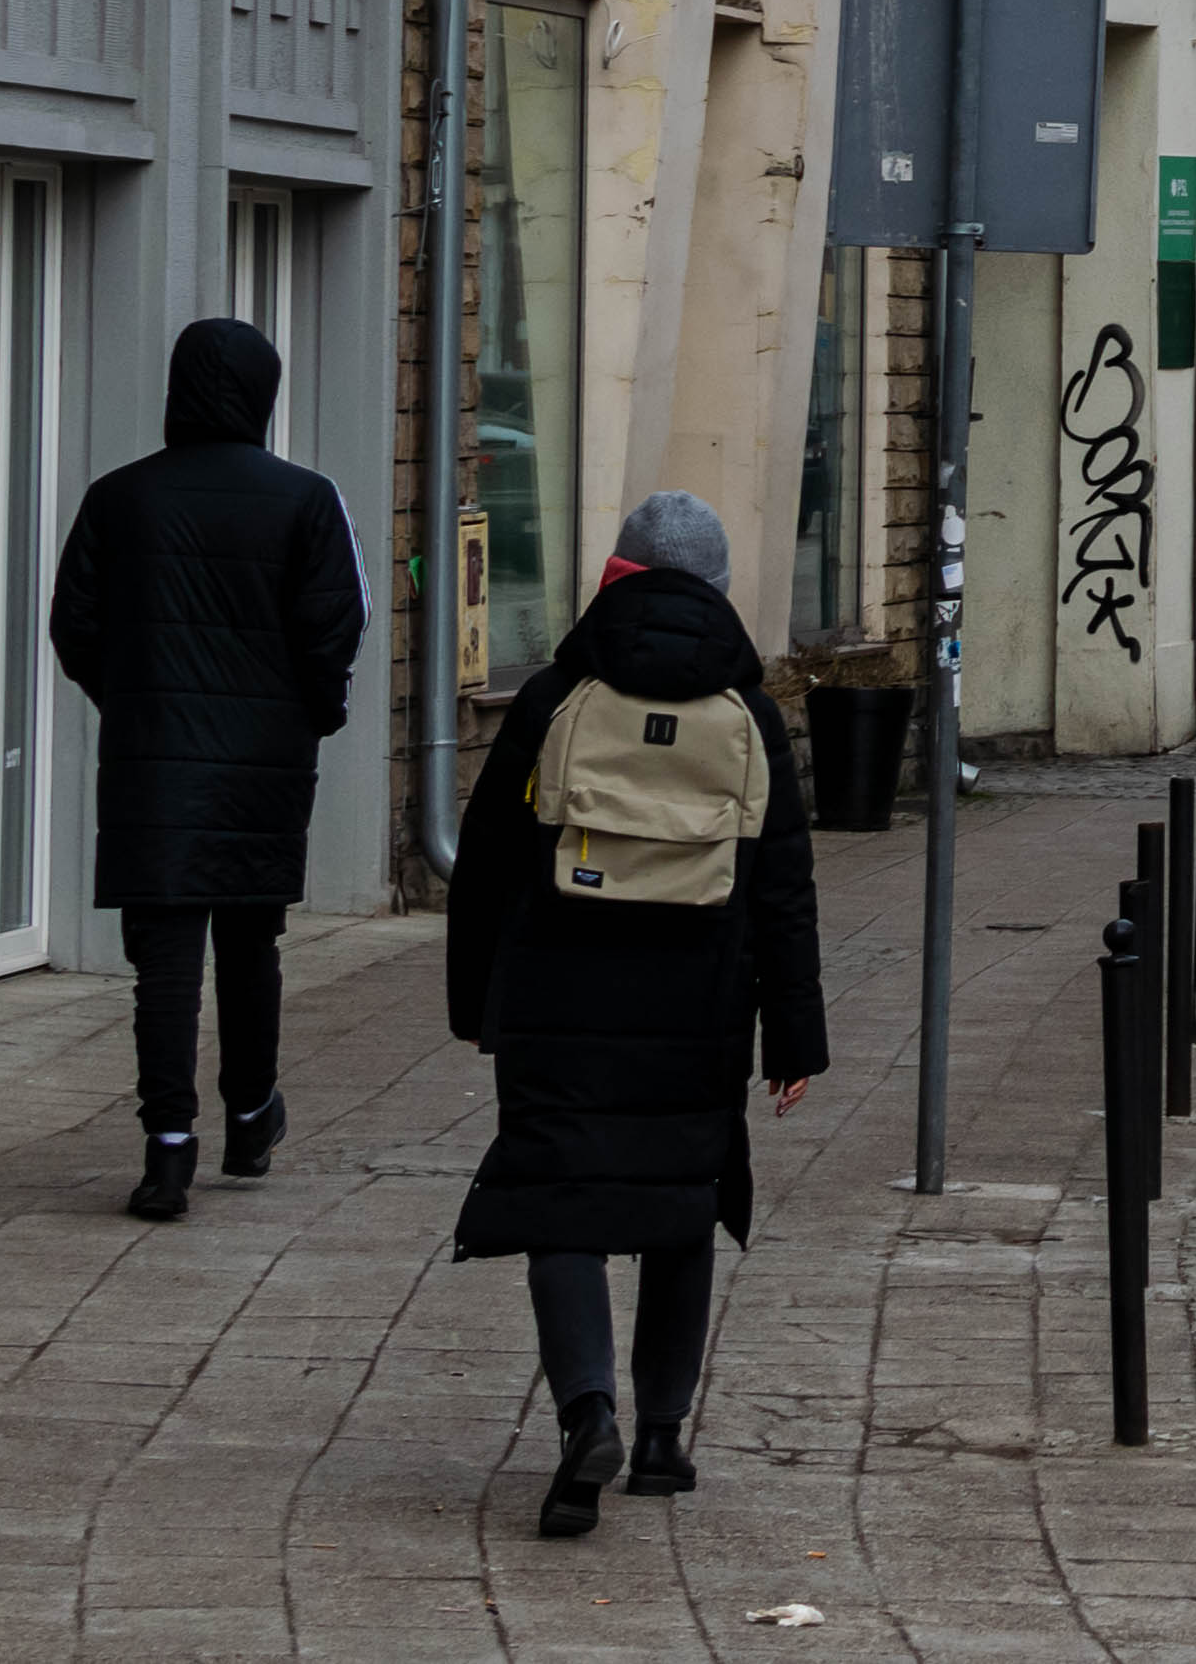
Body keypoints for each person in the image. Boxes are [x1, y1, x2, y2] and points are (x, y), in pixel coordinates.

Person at [447, 491, 824, 1540]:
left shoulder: (557, 692)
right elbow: (785, 887)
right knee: (679, 1198)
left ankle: (587, 1411)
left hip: (556, 997)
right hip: (700, 1004)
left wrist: (477, 1003)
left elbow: (483, 861)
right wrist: (795, 1038)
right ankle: (661, 1437)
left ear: (615, 575)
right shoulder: (746, 714)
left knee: (560, 1199)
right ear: (714, 586)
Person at [47, 316, 366, 1222]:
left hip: (155, 763)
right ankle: (252, 1111)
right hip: (265, 762)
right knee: (250, 943)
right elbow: (334, 627)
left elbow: (74, 624)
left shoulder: (119, 498)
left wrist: (135, 701)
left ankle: (168, 1148)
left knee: (166, 963)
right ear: (264, 393)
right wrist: (316, 714)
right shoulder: (306, 499)